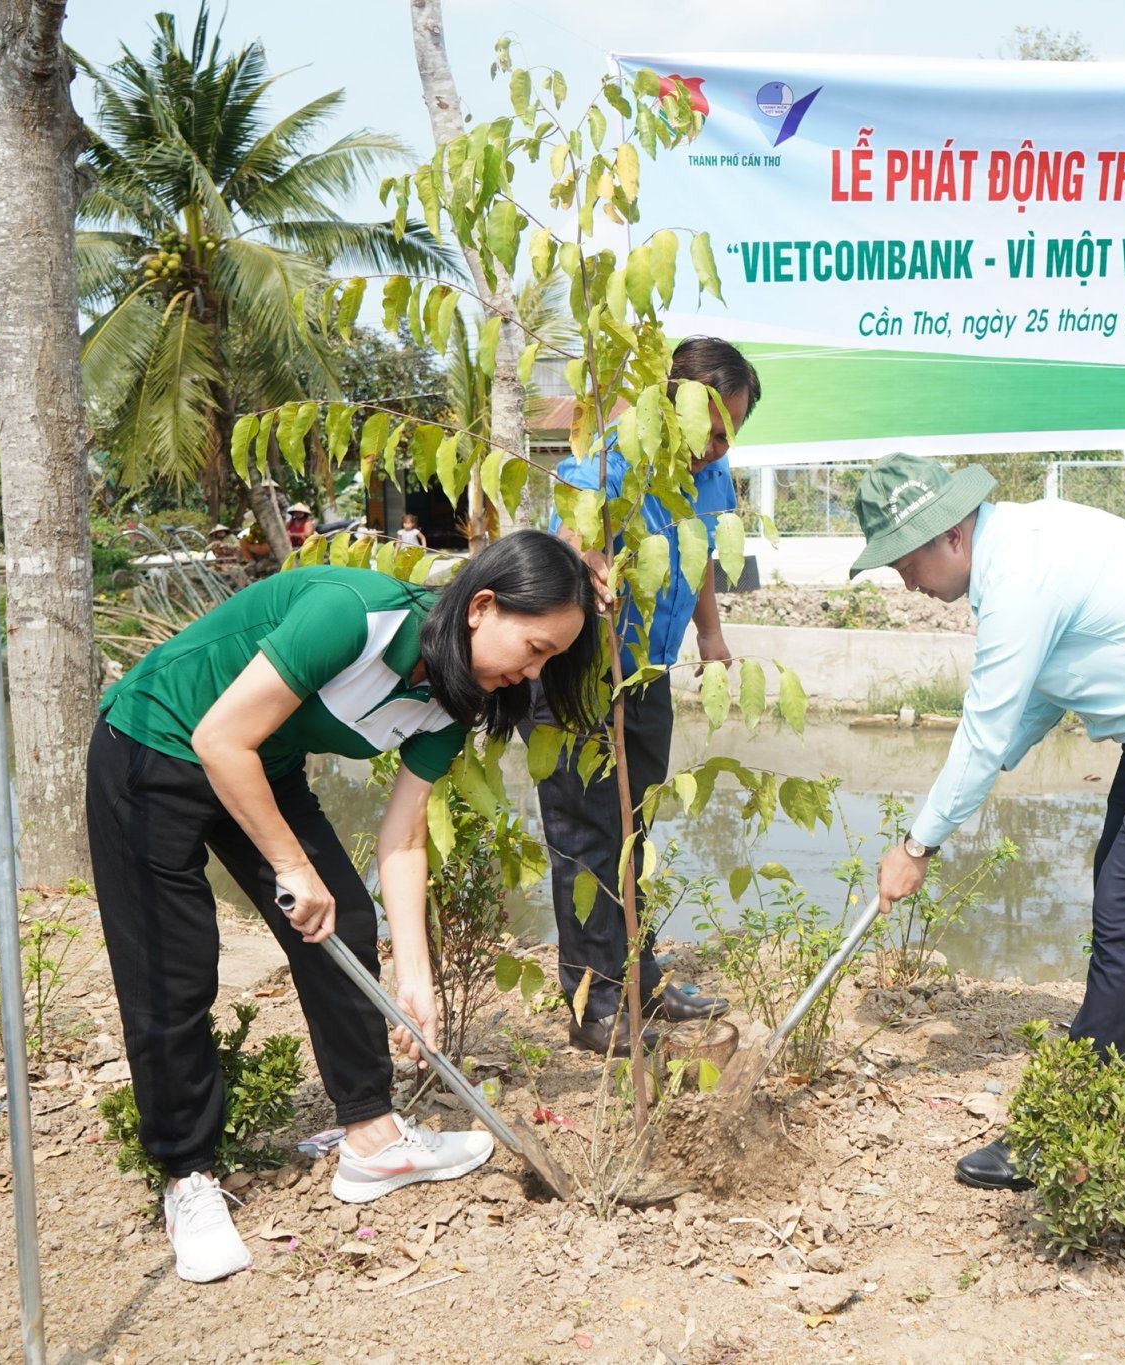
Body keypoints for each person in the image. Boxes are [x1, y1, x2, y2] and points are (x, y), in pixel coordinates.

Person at [87, 532, 600, 1282]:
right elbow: (219, 737)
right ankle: (187, 1176)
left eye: (549, 660)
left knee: (347, 923)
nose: (532, 673)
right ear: (481, 607)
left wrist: (416, 977)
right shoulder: (352, 615)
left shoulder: (454, 698)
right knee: (174, 968)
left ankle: (370, 1135)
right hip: (153, 743)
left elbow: (404, 836)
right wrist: (292, 866)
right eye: (535, 649)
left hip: (260, 762)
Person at [851, 453, 1125, 1192]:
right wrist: (988, 766)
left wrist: (917, 843)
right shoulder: (1021, 548)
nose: (906, 583)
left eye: (904, 563)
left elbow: (985, 724)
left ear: (951, 535)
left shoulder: (1019, 575)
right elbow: (1034, 702)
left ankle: (1071, 1122)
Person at [533, 336, 760, 1053]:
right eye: (710, 428)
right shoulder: (615, 452)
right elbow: (568, 534)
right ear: (672, 404)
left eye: (730, 434)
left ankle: (643, 982)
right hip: (580, 673)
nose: (715, 447)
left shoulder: (712, 474)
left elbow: (698, 554)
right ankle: (595, 1008)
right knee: (584, 838)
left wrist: (711, 635)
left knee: (632, 831)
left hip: (647, 673)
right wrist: (588, 555)